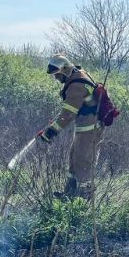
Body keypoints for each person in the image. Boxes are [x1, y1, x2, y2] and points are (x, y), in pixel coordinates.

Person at [37, 54, 103, 200]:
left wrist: (51, 132)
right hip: (86, 128)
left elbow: (67, 115)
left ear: (65, 70)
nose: (56, 78)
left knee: (83, 162)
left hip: (89, 129)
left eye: (57, 75)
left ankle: (86, 198)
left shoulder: (75, 87)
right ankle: (69, 194)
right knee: (74, 159)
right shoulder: (79, 75)